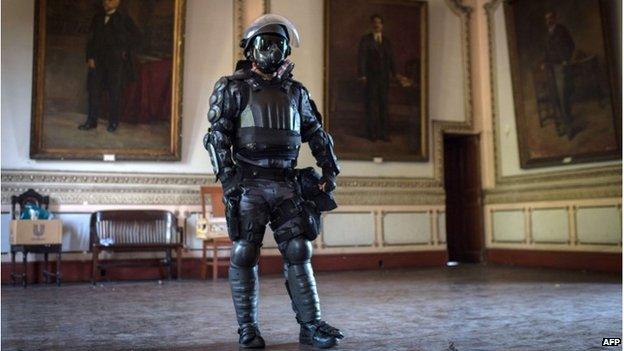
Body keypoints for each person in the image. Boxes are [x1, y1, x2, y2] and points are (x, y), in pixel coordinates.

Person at [204, 14, 344, 349]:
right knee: (244, 252)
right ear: (251, 49)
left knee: (299, 249)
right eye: (264, 43)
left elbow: (315, 133)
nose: (271, 50)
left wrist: (329, 170)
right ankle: (248, 329)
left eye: (278, 44)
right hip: (249, 182)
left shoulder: (296, 92)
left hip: (286, 182)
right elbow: (217, 137)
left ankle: (310, 326)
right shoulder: (232, 88)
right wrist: (228, 179)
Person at [79, 0, 140, 133]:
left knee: (114, 93)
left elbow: (136, 37)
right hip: (97, 62)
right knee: (94, 92)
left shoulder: (124, 18)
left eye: (110, 0)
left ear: (118, 2)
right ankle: (91, 121)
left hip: (115, 63)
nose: (106, 2)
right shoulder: (97, 17)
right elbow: (90, 39)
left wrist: (124, 50)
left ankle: (113, 122)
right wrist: (89, 57)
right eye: (105, 0)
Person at [357, 14, 400, 141]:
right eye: (374, 22)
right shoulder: (365, 40)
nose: (377, 25)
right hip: (370, 79)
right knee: (370, 106)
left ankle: (384, 134)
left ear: (382, 25)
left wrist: (395, 74)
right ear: (372, 25)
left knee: (383, 106)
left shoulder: (386, 41)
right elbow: (361, 58)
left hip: (384, 79)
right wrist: (362, 75)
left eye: (379, 22)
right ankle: (371, 134)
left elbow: (391, 59)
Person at [542, 11, 575, 139]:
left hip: (561, 67)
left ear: (555, 18)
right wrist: (544, 62)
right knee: (555, 98)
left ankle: (569, 129)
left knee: (563, 99)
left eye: (550, 18)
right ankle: (561, 127)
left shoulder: (561, 30)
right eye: (546, 19)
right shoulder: (546, 35)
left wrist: (566, 59)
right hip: (550, 69)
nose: (548, 21)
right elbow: (546, 51)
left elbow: (571, 45)